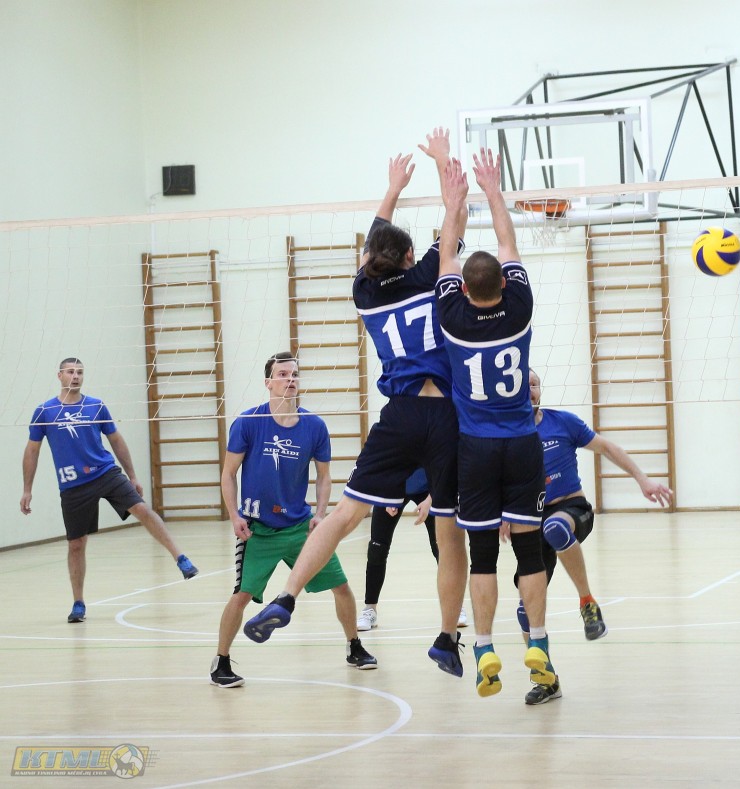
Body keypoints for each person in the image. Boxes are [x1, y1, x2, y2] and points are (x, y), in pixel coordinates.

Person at [243, 136, 468, 679]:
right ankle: (446, 637)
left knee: (346, 514)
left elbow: (374, 246)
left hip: (399, 415)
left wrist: (391, 189)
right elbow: (455, 215)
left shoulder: (364, 293)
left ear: (371, 260)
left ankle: (288, 596)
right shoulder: (430, 274)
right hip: (444, 416)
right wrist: (444, 166)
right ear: (410, 256)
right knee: (448, 531)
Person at [434, 147, 557, 705]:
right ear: (504, 285)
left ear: (465, 288)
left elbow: (446, 256)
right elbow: (508, 245)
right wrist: (492, 190)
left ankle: (483, 648)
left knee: (482, 554)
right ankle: (540, 644)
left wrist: (453, 201)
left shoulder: (451, 316)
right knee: (529, 553)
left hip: (476, 450)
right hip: (523, 445)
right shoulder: (520, 307)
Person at [210, 352, 376, 688]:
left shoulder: (314, 426)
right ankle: (221, 662)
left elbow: (324, 476)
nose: (290, 379)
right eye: (283, 374)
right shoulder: (248, 422)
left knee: (341, 587)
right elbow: (228, 474)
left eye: (294, 374)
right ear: (268, 382)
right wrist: (234, 515)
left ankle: (354, 646)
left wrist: (320, 514)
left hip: (301, 528)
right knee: (241, 596)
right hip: (258, 531)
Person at [511, 368, 672, 667]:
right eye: (525, 385)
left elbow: (607, 447)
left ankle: (587, 603)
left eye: (535, 384)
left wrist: (643, 479)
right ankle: (545, 676)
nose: (530, 390)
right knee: (525, 609)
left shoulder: (563, 422)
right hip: (531, 520)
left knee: (555, 528)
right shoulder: (507, 433)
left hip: (571, 509)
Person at [20, 357, 198, 623]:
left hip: (105, 473)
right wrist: (27, 489)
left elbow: (116, 440)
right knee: (76, 544)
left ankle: (181, 558)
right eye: (71, 372)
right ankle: (78, 603)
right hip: (73, 485)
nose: (76, 376)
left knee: (142, 509)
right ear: (60, 376)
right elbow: (32, 451)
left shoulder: (96, 405)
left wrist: (132, 475)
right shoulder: (44, 411)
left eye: (80, 372)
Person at [357, 467, 468, 631]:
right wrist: (387, 492)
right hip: (394, 485)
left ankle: (456, 607)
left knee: (442, 547)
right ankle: (370, 609)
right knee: (377, 547)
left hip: (430, 487)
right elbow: (383, 461)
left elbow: (443, 465)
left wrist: (431, 498)